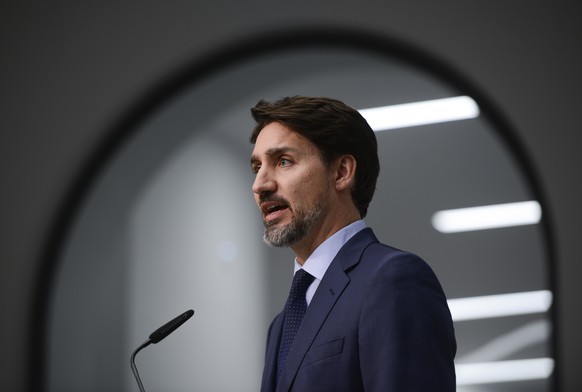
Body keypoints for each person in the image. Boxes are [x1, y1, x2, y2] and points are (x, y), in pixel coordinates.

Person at [249, 96, 456, 392]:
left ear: (342, 172)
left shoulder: (393, 279)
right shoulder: (280, 325)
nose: (260, 184)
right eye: (256, 167)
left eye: (283, 161)